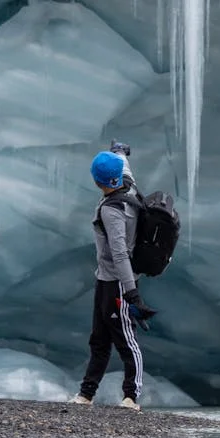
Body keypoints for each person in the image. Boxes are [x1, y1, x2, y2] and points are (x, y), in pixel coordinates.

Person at [69, 150, 157, 411]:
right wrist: (120, 153)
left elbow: (119, 252)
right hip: (105, 281)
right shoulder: (128, 189)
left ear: (97, 181)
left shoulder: (112, 210)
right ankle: (86, 393)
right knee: (99, 338)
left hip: (118, 281)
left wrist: (131, 292)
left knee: (126, 340)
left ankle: (131, 396)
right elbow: (125, 171)